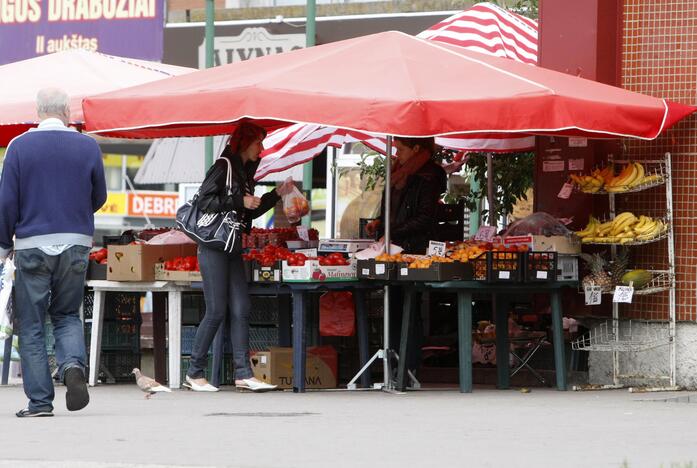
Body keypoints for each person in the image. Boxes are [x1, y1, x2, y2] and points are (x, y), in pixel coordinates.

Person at [0, 88, 107, 417]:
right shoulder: (88, 145)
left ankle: (40, 403)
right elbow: (99, 196)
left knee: (31, 323)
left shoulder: (19, 146)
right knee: (66, 314)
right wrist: (76, 219)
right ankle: (73, 366)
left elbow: (6, 202)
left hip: (32, 246)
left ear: (38, 111)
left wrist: (4, 245)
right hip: (75, 244)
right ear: (66, 112)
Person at [184, 122, 294, 392]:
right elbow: (204, 202)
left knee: (242, 308)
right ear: (245, 143)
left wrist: (274, 195)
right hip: (213, 247)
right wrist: (238, 202)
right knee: (216, 310)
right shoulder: (224, 166)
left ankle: (243, 373)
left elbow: (249, 213)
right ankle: (194, 372)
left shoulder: (245, 172)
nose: (262, 149)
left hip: (232, 246)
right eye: (259, 143)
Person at [365, 136, 447, 378]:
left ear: (416, 149)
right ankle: (396, 364)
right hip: (394, 245)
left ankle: (408, 365)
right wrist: (380, 223)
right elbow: (394, 210)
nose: (396, 153)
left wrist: (391, 232)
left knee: (407, 307)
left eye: (400, 149)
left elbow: (424, 217)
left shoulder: (429, 176)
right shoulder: (398, 171)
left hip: (413, 248)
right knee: (394, 304)